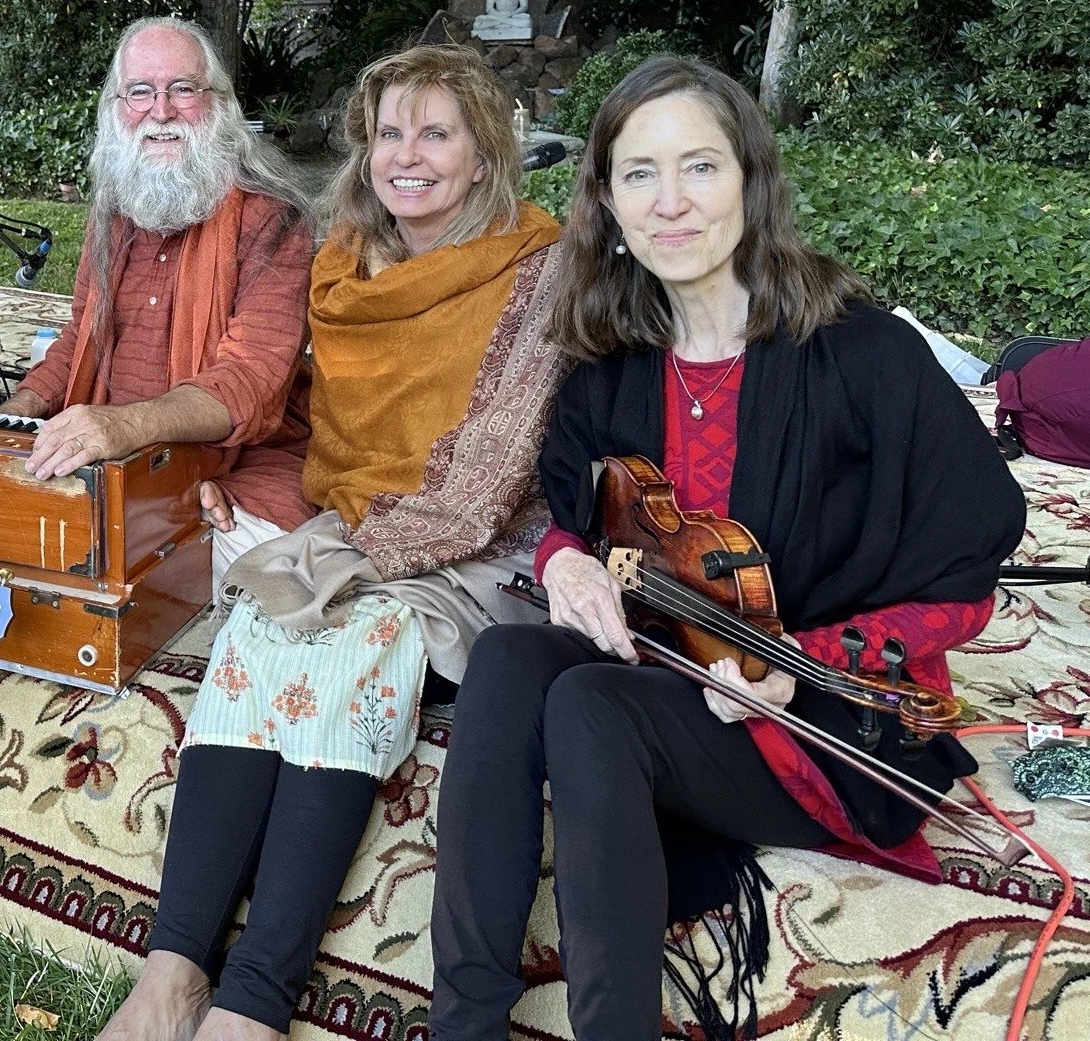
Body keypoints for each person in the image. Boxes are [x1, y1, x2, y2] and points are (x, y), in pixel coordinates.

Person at [427, 55, 1026, 1041]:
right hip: (675, 670)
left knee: (586, 703)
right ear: (606, 204)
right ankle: (464, 1022)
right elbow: (572, 511)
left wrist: (794, 670)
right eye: (637, 174)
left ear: (750, 178)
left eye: (698, 167)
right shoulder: (609, 365)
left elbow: (961, 580)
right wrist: (563, 564)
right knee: (504, 654)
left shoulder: (864, 356)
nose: (669, 204)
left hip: (824, 724)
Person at [100, 45, 568, 1041]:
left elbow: (491, 475)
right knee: (252, 635)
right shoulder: (348, 260)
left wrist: (339, 561)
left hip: (483, 551)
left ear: (483, 153)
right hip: (349, 521)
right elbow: (318, 419)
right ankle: (172, 970)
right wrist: (281, 527)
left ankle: (254, 1002)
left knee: (346, 641)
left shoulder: (538, 267)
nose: (406, 155)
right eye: (388, 132)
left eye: (436, 133)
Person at [0, 17, 314, 589]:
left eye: (183, 89)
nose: (160, 110)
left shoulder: (272, 219)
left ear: (217, 103)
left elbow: (251, 379)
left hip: (241, 467)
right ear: (117, 109)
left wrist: (133, 431)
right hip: (113, 457)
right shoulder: (113, 216)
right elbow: (79, 340)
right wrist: (17, 408)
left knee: (204, 578)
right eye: (140, 92)